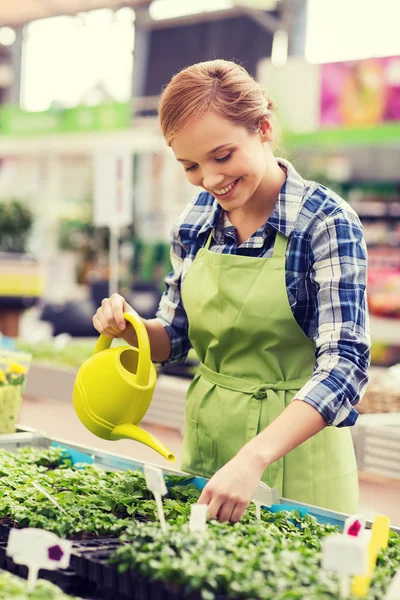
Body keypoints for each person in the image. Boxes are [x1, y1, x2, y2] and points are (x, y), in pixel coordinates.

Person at [92, 59, 370, 522]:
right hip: (210, 450)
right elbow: (176, 337)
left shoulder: (324, 222)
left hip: (296, 462)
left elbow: (346, 366)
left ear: (262, 128)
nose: (211, 179)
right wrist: (130, 327)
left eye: (222, 157)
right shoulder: (196, 220)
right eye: (191, 166)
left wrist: (255, 456)